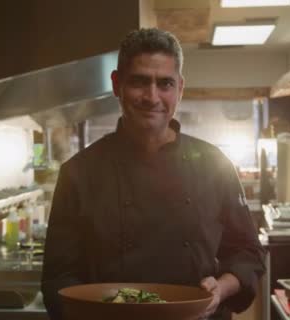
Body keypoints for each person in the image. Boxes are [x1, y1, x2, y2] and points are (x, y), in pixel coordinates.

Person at [41, 28, 266, 320]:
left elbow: (247, 252)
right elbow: (58, 277)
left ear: (180, 89)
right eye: (139, 82)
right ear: (116, 84)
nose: (152, 96)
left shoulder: (215, 164)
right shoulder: (79, 173)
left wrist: (221, 289)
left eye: (165, 84)